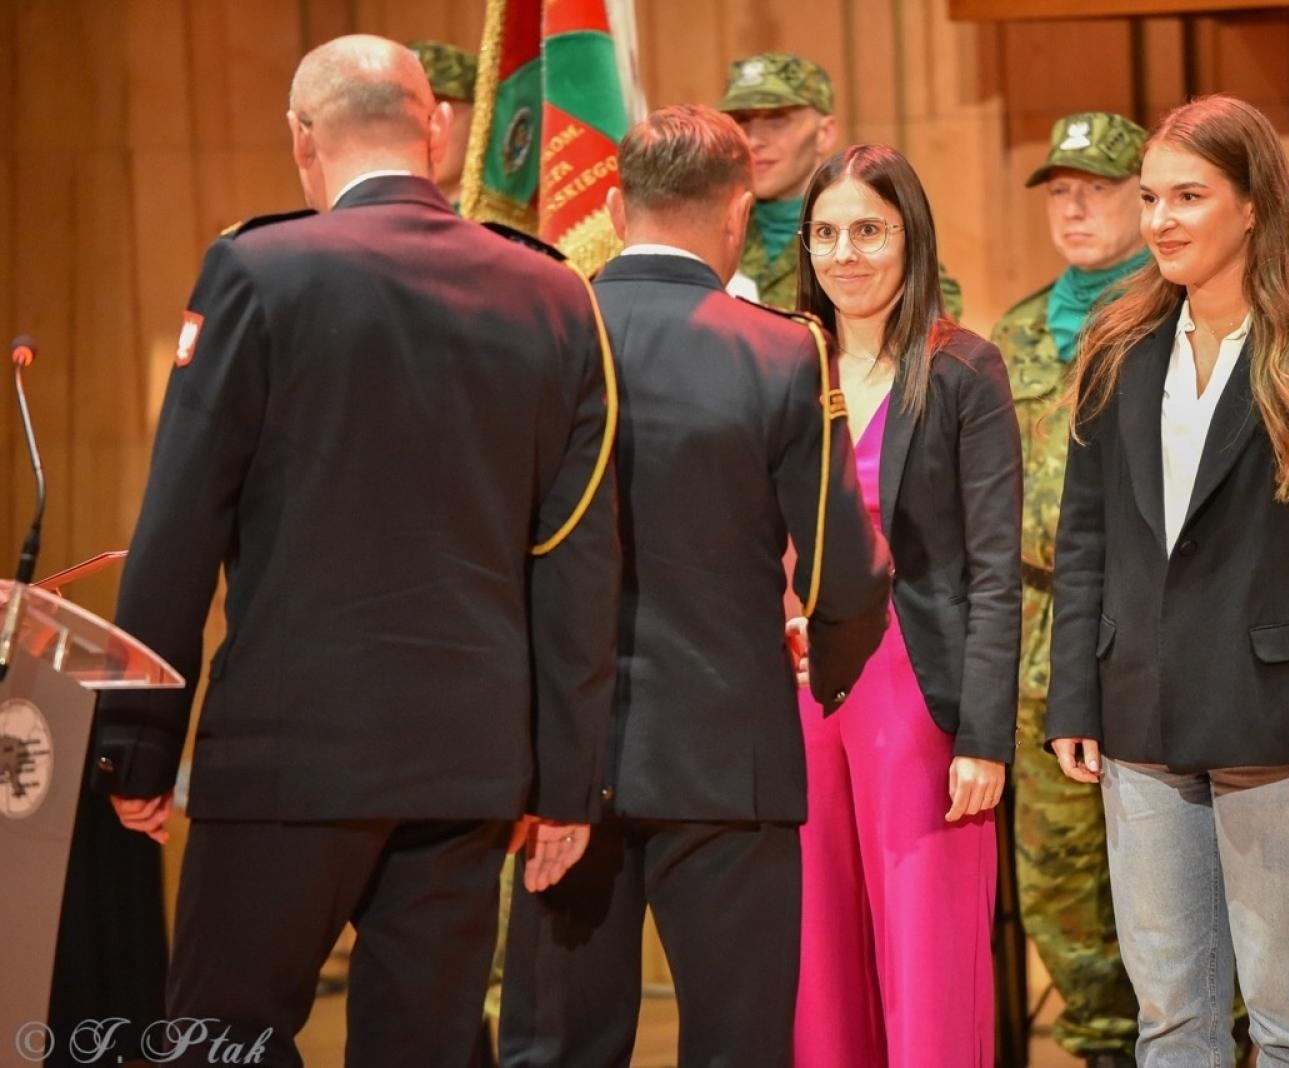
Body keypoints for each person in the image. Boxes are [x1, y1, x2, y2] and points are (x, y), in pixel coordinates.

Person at [90, 34, 620, 1067]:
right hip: (468, 768)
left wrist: (136, 747)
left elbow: (179, 526)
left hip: (291, 758)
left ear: (301, 140)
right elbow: (575, 556)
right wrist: (564, 779)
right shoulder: (554, 294)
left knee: (217, 1043)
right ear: (432, 130)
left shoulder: (256, 271)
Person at [497, 104, 891, 1068]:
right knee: (736, 1046)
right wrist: (822, 672)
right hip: (729, 753)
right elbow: (848, 568)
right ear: (737, 213)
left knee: (558, 1047)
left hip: (561, 761)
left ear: (621, 207)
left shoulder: (538, 332)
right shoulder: (782, 349)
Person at [1048, 94, 1289, 1066]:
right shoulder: (1115, 348)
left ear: (1250, 206)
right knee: (1172, 1016)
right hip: (1138, 717)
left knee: (1288, 1015)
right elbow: (1086, 540)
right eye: (1150, 197)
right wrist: (1075, 692)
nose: (1160, 219)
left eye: (1187, 196)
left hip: (1277, 723)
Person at [790, 143, 1023, 1067]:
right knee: (819, 969)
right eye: (826, 233)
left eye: (869, 230)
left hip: (919, 695)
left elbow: (996, 569)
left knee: (929, 969)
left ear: (910, 237)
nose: (845, 254)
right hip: (801, 693)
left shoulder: (964, 368)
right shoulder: (783, 362)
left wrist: (984, 737)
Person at [990, 111, 1148, 1068]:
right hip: (1042, 627)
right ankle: (1100, 1046)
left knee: (1187, 865)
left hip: (1156, 622)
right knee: (1059, 873)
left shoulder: (1184, 315)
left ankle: (1222, 1040)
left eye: (1098, 186)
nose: (1076, 206)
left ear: (1145, 196)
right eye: (1061, 189)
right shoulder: (1011, 334)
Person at [715, 51, 964, 318]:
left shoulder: (875, 234)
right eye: (742, 121)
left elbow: (928, 321)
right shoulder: (714, 233)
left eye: (777, 120)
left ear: (824, 134)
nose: (754, 141)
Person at [410, 40, 477, 206]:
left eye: (437, 112)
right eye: (408, 116)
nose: (422, 128)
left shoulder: (504, 226)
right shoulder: (375, 221)